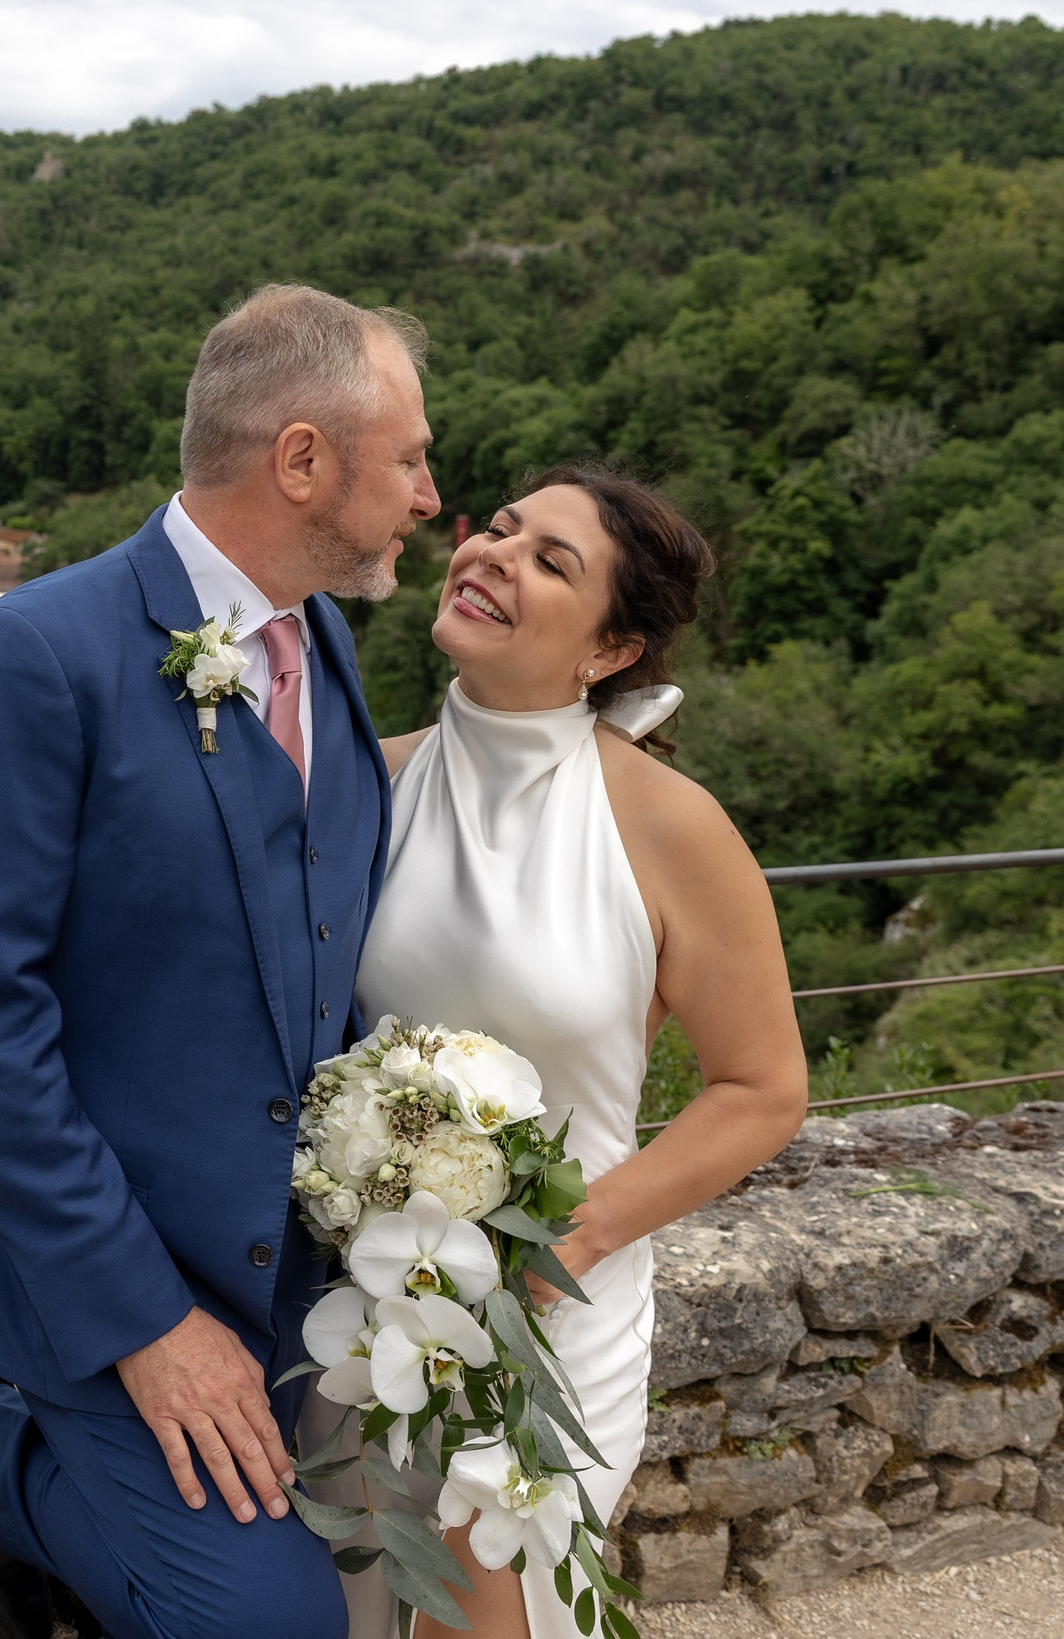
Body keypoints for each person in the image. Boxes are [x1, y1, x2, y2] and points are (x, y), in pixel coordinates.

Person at [0, 283, 440, 1639]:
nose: (427, 493)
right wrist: (146, 1324)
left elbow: (295, 888)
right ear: (303, 459)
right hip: (101, 1276)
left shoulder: (324, 638)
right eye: (408, 455)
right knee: (276, 1623)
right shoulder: (33, 655)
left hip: (284, 1261)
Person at [318, 465, 809, 1638]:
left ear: (609, 649)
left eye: (552, 561)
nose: (493, 554)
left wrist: (575, 1232)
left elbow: (763, 1089)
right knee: (365, 1611)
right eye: (499, 528)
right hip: (372, 1310)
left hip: (556, 1307)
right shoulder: (362, 785)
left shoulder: (667, 827)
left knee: (488, 1610)